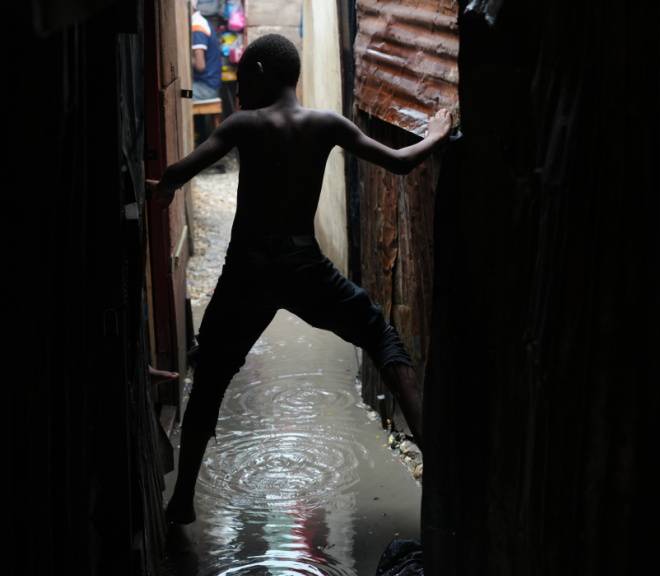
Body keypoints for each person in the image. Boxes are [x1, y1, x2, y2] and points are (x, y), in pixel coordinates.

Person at [152, 33, 453, 525]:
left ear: (261, 73)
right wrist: (437, 134)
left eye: (243, 78)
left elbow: (178, 172)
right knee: (380, 336)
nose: (238, 90)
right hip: (302, 266)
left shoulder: (243, 125)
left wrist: (162, 190)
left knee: (209, 380)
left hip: (248, 270)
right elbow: (401, 163)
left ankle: (182, 500)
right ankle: (438, 465)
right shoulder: (326, 124)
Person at [190, 0, 222, 144]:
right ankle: (200, 136)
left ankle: (195, 138)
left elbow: (200, 65)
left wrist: (184, 59)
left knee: (180, 95)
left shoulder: (197, 27)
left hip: (206, 89)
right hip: (209, 85)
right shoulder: (201, 21)